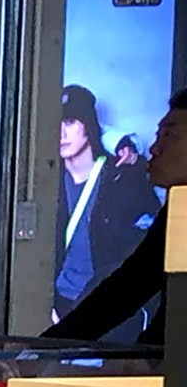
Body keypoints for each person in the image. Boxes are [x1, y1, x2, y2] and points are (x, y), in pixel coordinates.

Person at [47, 90, 185, 387]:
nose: (155, 147)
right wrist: (46, 348)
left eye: (171, 135)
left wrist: (143, 354)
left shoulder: (119, 182)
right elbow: (130, 285)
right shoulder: (178, 211)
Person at [57, 85, 161, 321]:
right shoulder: (43, 179)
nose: (61, 133)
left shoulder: (122, 176)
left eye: (71, 122)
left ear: (89, 125)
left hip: (103, 308)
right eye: (57, 122)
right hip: (57, 304)